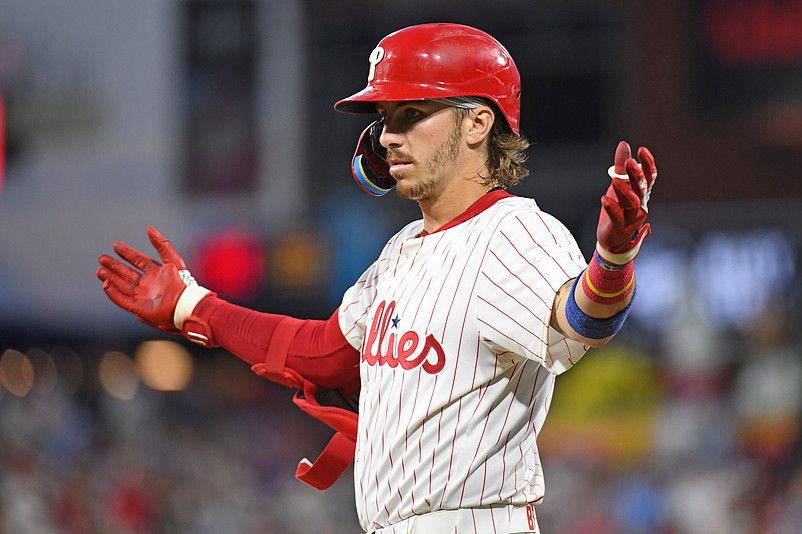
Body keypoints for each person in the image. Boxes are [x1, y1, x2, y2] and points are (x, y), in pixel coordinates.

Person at [96, 23, 657, 534]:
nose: (388, 137)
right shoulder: (400, 253)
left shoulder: (514, 232)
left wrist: (612, 258)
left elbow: (580, 321)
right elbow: (321, 354)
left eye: (411, 114)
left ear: (478, 123)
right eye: (385, 119)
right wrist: (192, 306)